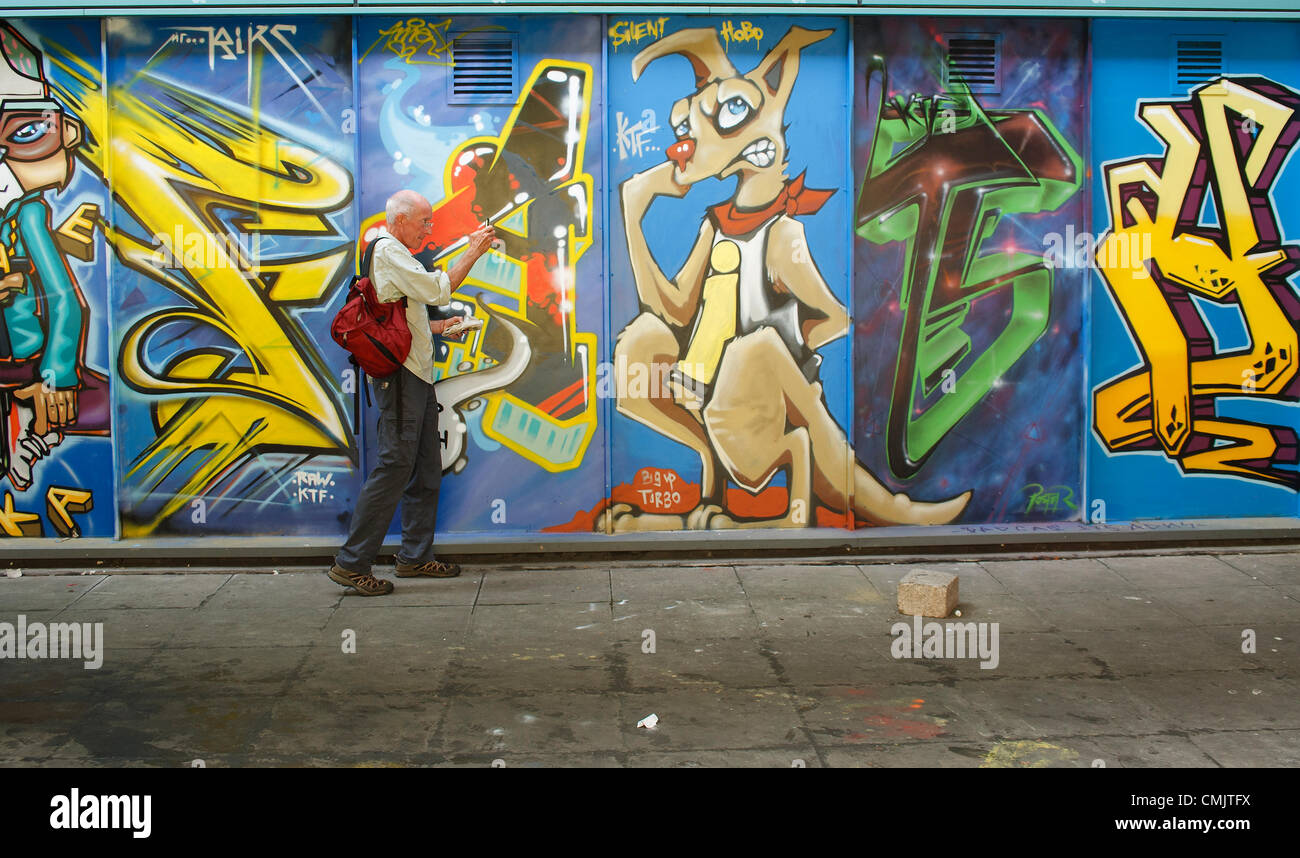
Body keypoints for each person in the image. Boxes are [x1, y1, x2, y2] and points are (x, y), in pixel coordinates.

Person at [329, 190, 495, 595]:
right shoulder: (389, 251)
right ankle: (352, 563)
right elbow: (440, 289)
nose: (429, 228)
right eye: (424, 221)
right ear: (400, 219)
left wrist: (443, 328)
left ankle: (414, 557)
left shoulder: (396, 256)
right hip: (402, 379)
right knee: (394, 466)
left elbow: (405, 315)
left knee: (423, 466)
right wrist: (473, 251)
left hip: (416, 376)